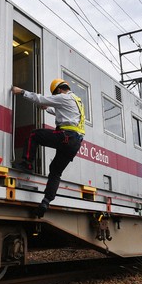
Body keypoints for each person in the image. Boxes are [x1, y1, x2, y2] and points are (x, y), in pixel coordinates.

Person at [11, 79, 85, 217]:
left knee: (34, 135)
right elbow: (66, 113)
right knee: (55, 171)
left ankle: (27, 164)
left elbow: (40, 99)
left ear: (58, 90)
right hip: (75, 143)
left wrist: (21, 92)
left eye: (55, 94)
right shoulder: (77, 100)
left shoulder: (63, 97)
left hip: (65, 136)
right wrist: (49, 109)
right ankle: (46, 201)